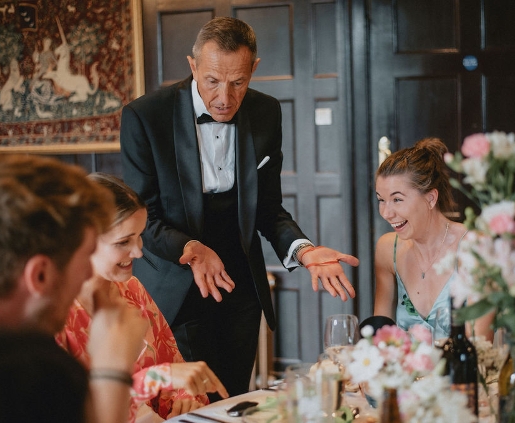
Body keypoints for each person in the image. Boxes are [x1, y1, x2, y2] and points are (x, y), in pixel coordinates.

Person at [119, 16, 359, 398]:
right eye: (212, 80)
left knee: (232, 399)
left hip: (239, 292)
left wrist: (305, 249)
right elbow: (143, 216)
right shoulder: (146, 117)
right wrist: (192, 250)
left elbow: (268, 208)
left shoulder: (266, 112)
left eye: (238, 82)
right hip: (175, 286)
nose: (224, 98)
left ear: (254, 69)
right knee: (186, 405)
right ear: (193, 65)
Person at [0, 154, 148, 423]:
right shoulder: (28, 371)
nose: (87, 274)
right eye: (85, 258)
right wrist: (111, 371)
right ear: (39, 275)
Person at [57, 172, 229, 422]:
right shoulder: (53, 316)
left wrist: (183, 396)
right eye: (124, 241)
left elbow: (173, 370)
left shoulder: (133, 291)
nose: (138, 252)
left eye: (139, 236)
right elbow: (72, 410)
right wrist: (154, 379)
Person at [373, 137, 493, 340]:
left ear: (430, 198)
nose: (386, 212)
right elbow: (379, 339)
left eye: (397, 199)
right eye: (381, 200)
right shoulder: (387, 250)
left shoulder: (474, 248)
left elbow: (479, 348)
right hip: (404, 372)